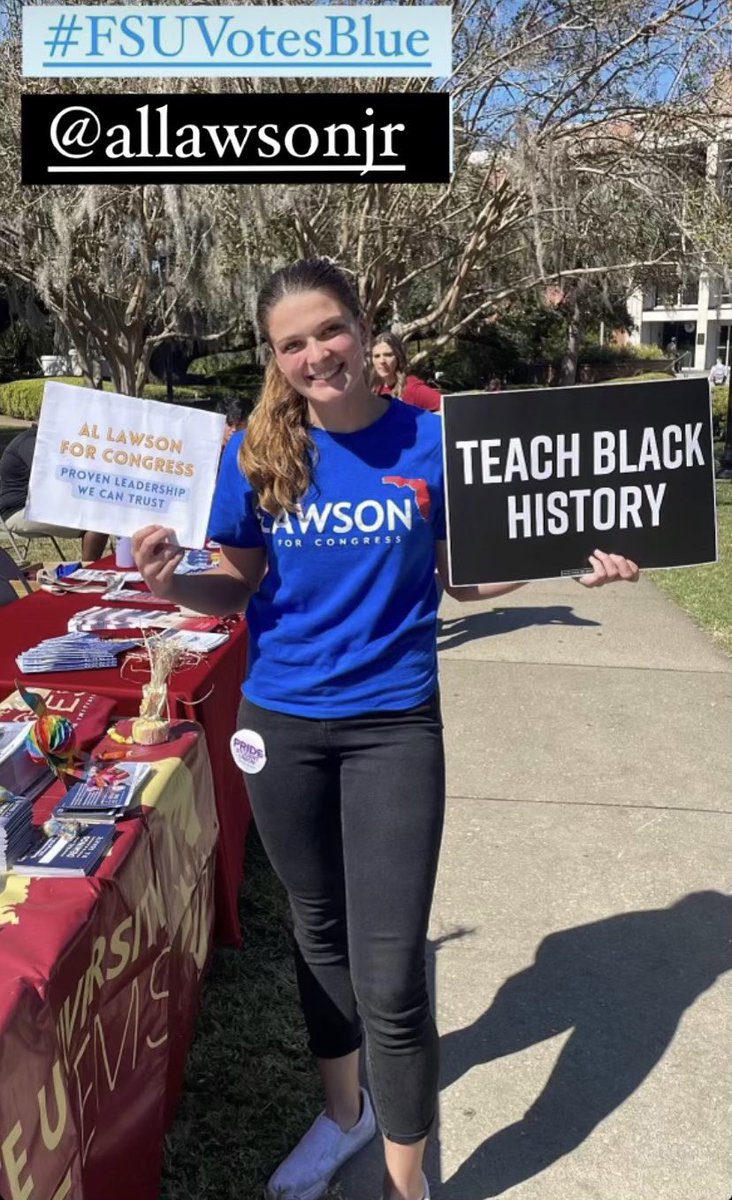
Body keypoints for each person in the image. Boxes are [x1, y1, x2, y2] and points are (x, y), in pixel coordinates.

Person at [131, 258, 640, 1200]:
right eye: (293, 343)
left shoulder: (434, 441)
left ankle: (407, 1186)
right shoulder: (255, 455)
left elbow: (465, 577)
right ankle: (343, 1116)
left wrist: (569, 561)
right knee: (318, 934)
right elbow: (233, 586)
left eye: (330, 330)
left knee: (393, 972)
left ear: (364, 331)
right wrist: (170, 584)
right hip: (279, 726)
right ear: (273, 357)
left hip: (393, 728)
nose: (316, 353)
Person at [0, 425, 108, 560]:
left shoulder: (46, 441)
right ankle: (88, 572)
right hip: (18, 511)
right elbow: (54, 474)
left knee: (102, 513)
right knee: (97, 523)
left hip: (37, 507)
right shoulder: (30, 442)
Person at [371, 331, 442, 412]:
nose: (382, 361)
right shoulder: (374, 390)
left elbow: (449, 408)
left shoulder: (412, 388)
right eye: (377, 356)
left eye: (388, 355)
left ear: (398, 357)